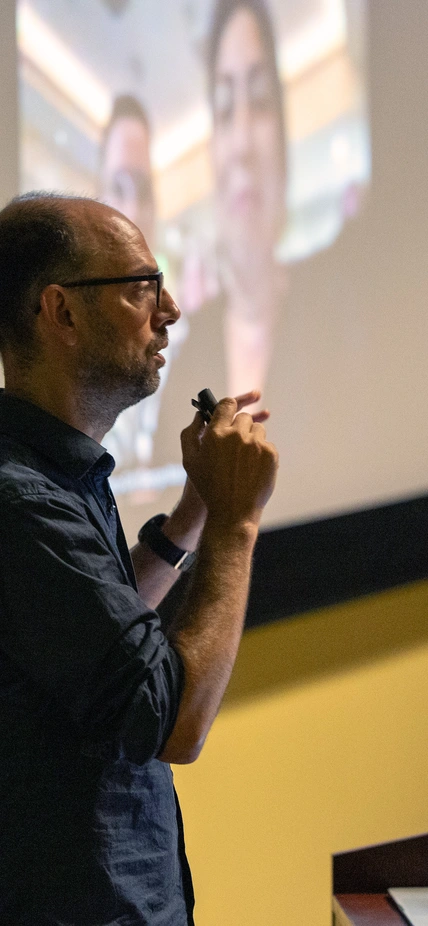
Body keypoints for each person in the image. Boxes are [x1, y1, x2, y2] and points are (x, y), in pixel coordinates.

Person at [0, 191, 278, 924]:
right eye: (141, 286)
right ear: (59, 311)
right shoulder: (20, 500)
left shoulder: (50, 473)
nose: (172, 310)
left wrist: (196, 513)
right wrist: (238, 525)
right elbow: (175, 722)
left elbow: (108, 638)